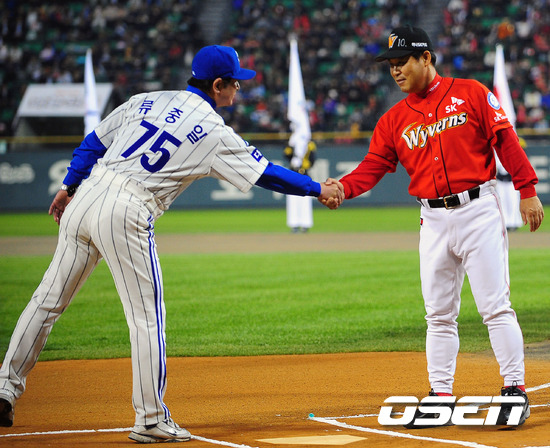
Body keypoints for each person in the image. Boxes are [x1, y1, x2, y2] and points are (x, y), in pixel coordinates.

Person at [0, 45, 344, 443]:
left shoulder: (145, 100)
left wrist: (68, 186)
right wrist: (318, 188)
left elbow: (93, 143)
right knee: (146, 318)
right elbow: (266, 174)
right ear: (217, 85)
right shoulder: (213, 130)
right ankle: (150, 418)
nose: (238, 89)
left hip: (88, 194)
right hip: (127, 209)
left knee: (46, 301)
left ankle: (5, 387)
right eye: (234, 83)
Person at [321, 26, 544, 428]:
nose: (395, 70)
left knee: (494, 307)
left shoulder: (471, 93)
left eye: (401, 61)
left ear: (426, 58)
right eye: (390, 64)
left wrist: (527, 189)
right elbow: (373, 166)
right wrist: (343, 188)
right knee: (438, 314)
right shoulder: (393, 120)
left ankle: (514, 388)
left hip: (478, 210)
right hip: (432, 219)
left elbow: (506, 140)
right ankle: (440, 393)